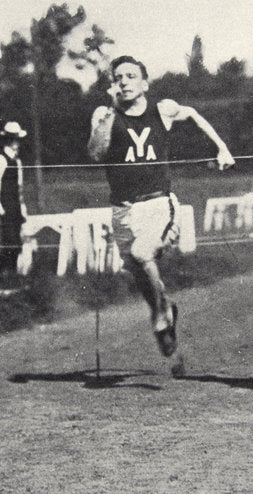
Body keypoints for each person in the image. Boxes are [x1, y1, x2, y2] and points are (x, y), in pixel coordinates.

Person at [88, 55, 235, 361]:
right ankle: (165, 309)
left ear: (144, 83)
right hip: (122, 210)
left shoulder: (162, 110)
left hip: (158, 204)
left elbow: (193, 114)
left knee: (143, 254)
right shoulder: (105, 114)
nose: (124, 82)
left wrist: (220, 147)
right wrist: (108, 115)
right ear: (112, 84)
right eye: (119, 78)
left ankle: (160, 315)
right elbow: (96, 153)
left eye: (131, 76)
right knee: (140, 274)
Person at [0, 121, 28, 277]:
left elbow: (19, 187)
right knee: (9, 243)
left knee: (17, 244)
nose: (15, 144)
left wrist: (22, 207)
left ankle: (9, 275)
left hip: (15, 206)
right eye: (12, 140)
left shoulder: (17, 162)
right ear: (6, 141)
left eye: (17, 140)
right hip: (5, 206)